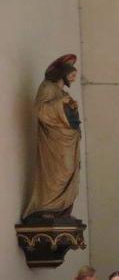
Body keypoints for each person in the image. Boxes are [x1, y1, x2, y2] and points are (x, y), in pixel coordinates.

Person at [23, 55, 82, 219]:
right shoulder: (47, 87)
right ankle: (46, 207)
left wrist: (70, 106)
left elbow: (68, 116)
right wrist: (61, 103)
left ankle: (62, 208)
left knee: (69, 169)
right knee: (57, 172)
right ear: (63, 73)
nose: (74, 79)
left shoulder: (62, 92)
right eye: (72, 75)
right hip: (53, 141)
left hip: (67, 140)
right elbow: (40, 111)